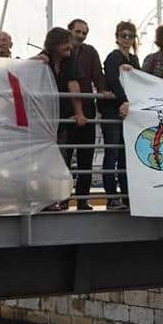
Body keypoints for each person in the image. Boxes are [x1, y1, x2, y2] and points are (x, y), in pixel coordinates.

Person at [30, 27, 85, 212]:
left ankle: (59, 199)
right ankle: (44, 200)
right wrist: (35, 62)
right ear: (54, 44)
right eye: (65, 42)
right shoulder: (42, 57)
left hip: (61, 119)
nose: (69, 46)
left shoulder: (70, 60)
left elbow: (73, 84)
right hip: (42, 120)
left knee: (61, 159)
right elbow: (20, 70)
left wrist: (79, 113)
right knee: (42, 161)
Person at [65, 19, 108, 211]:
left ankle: (82, 199)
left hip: (88, 109)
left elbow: (98, 75)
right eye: (78, 31)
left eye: (84, 33)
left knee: (86, 157)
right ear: (70, 31)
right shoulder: (60, 50)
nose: (81, 36)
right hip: (65, 109)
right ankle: (62, 198)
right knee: (64, 157)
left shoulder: (91, 52)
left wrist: (101, 94)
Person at [100, 21, 141, 211]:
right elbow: (111, 79)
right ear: (117, 37)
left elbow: (140, 81)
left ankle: (127, 196)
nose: (126, 39)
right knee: (112, 154)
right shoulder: (113, 57)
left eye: (130, 36)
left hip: (129, 114)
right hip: (112, 111)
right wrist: (123, 100)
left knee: (126, 156)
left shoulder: (134, 59)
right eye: (123, 35)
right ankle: (111, 198)